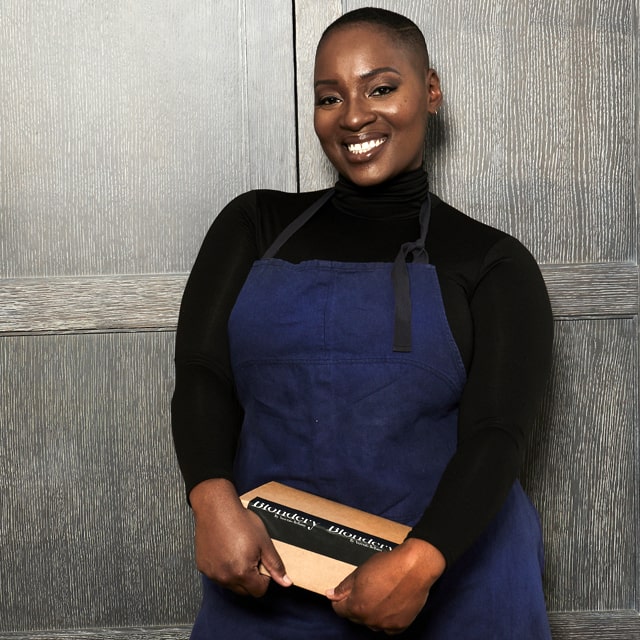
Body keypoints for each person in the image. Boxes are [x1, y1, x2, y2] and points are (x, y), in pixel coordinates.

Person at [171, 7, 554, 639]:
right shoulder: (253, 226)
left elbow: (497, 435)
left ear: (430, 90)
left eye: (381, 88)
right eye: (330, 96)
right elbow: (203, 374)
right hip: (274, 577)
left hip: (454, 583)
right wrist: (209, 500)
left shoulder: (492, 261)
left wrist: (420, 563)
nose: (353, 116)